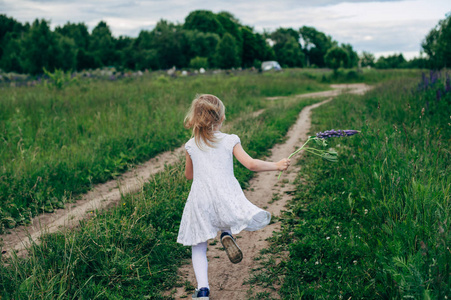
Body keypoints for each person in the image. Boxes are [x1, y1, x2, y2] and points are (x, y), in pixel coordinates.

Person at [177, 94, 291, 299]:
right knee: (225, 212)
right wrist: (277, 165)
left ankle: (202, 290)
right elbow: (251, 165)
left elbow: (189, 175)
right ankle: (226, 234)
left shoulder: (191, 145)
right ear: (221, 118)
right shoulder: (230, 140)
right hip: (226, 191)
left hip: (200, 197)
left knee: (198, 245)